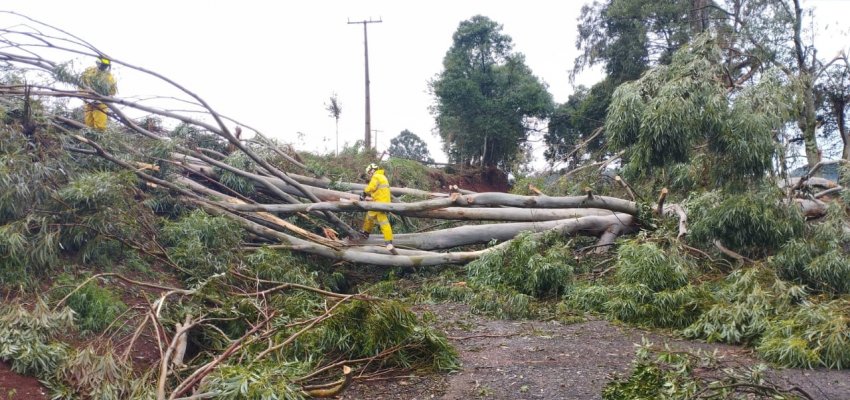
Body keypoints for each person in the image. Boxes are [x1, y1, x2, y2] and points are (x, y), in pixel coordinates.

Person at [359, 163, 396, 253]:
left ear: (372, 170)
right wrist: (371, 198)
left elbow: (371, 187)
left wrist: (364, 193)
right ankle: (366, 232)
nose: (369, 174)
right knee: (370, 215)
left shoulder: (376, 177)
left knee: (383, 222)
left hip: (380, 203)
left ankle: (389, 242)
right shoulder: (382, 176)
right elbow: (379, 191)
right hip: (382, 201)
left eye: (369, 172)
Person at [80, 57, 117, 131]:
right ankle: (89, 138)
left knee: (100, 126)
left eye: (105, 66)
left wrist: (104, 98)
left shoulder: (109, 77)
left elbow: (112, 92)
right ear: (98, 63)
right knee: (88, 123)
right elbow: (81, 84)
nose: (103, 67)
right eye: (102, 65)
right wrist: (84, 95)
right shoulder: (89, 71)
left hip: (100, 103)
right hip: (88, 100)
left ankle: (98, 140)